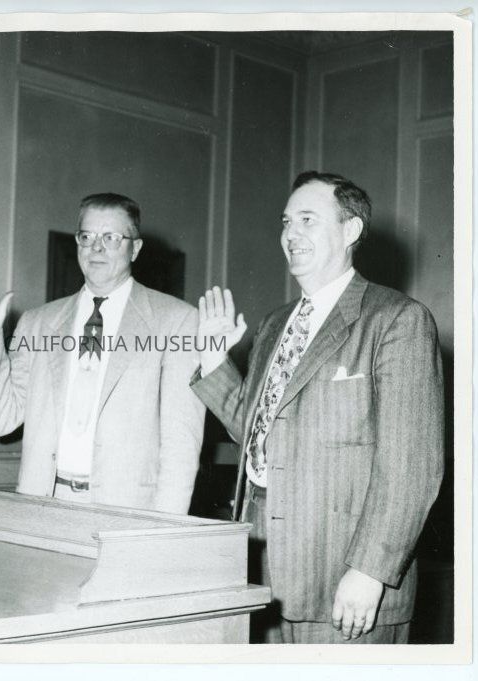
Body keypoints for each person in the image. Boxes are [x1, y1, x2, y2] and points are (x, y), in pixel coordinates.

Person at [190, 171, 444, 644]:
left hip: (342, 578)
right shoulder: (274, 325)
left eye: (308, 220)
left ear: (351, 230)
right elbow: (258, 434)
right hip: (261, 568)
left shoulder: (396, 319)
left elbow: (411, 466)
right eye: (286, 222)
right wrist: (212, 358)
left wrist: (370, 571)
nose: (291, 233)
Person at [0, 193, 204, 514]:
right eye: (87, 237)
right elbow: (1, 420)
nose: (96, 248)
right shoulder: (37, 323)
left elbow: (181, 447)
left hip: (128, 512)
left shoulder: (176, 321)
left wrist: (162, 529)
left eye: (111, 238)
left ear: (135, 249)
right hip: (43, 506)